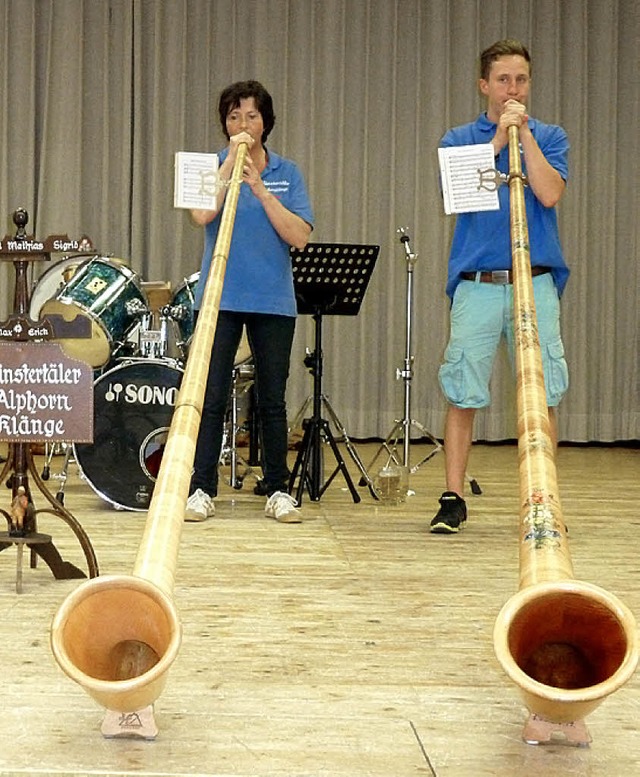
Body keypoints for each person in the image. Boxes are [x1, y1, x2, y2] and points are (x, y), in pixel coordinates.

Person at [430, 39, 570, 534]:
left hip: (535, 280)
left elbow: (550, 193)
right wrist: (495, 143)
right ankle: (452, 496)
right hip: (478, 282)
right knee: (463, 389)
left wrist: (523, 136)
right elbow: (457, 193)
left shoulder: (549, 136)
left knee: (542, 391)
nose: (514, 89)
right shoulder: (459, 138)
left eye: (522, 79)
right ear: (484, 85)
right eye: (504, 79)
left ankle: (544, 499)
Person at [185, 80, 314, 523]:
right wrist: (227, 172)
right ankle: (201, 487)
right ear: (225, 122)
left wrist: (260, 188)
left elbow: (299, 237)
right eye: (235, 116)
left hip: (273, 300)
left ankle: (277, 488)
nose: (244, 124)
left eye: (252, 116)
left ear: (266, 122)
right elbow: (201, 215)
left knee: (272, 398)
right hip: (219, 297)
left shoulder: (287, 172)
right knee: (212, 394)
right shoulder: (208, 165)